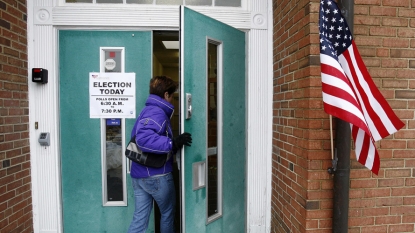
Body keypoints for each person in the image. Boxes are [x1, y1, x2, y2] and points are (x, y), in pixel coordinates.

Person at [127, 75, 192, 233]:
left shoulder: (148, 110)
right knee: (168, 214)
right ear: (166, 95)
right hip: (157, 175)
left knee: (140, 219)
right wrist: (172, 143)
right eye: (173, 96)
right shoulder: (156, 112)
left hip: (139, 175)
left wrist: (173, 145)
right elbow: (144, 139)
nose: (173, 101)